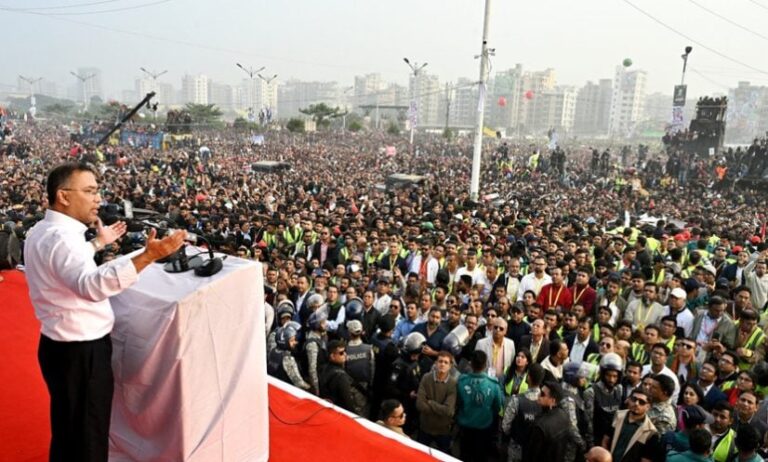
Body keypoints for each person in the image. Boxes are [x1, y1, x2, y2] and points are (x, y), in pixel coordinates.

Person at [25, 163, 186, 462]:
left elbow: (65, 265)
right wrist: (149, 255)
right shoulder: (64, 239)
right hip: (81, 352)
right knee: (88, 435)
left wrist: (99, 243)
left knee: (68, 429)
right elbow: (90, 286)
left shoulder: (43, 230)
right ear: (63, 196)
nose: (98, 199)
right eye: (89, 191)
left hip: (57, 346)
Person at [456, 350, 505, 462]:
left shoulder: (462, 381)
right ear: (485, 365)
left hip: (465, 428)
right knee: (481, 456)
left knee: (465, 456)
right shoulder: (493, 384)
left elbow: (458, 402)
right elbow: (497, 407)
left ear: (471, 364)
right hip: (484, 428)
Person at [603, 388, 662, 462]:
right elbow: (605, 441)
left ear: (648, 407)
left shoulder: (651, 432)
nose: (636, 403)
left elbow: (646, 459)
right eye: (634, 399)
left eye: (642, 402)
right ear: (629, 400)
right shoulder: (617, 416)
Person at [416, 350, 457, 454]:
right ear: (435, 363)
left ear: (450, 366)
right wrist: (439, 408)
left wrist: (430, 403)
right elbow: (420, 405)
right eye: (440, 361)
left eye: (446, 362)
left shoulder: (453, 384)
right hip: (425, 428)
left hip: (443, 430)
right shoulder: (426, 378)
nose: (442, 364)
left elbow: (448, 411)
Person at [502, 363, 545, 462]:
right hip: (535, 450)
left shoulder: (516, 400)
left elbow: (505, 426)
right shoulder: (545, 403)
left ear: (528, 377)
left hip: (517, 447)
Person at [522, 381, 571, 462]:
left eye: (542, 394)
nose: (538, 395)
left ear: (553, 401)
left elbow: (531, 456)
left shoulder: (540, 426)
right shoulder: (564, 415)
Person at [318, 339, 368, 415]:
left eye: (345, 351)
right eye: (341, 353)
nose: (345, 354)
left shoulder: (324, 368)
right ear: (332, 356)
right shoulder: (341, 376)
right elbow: (347, 402)